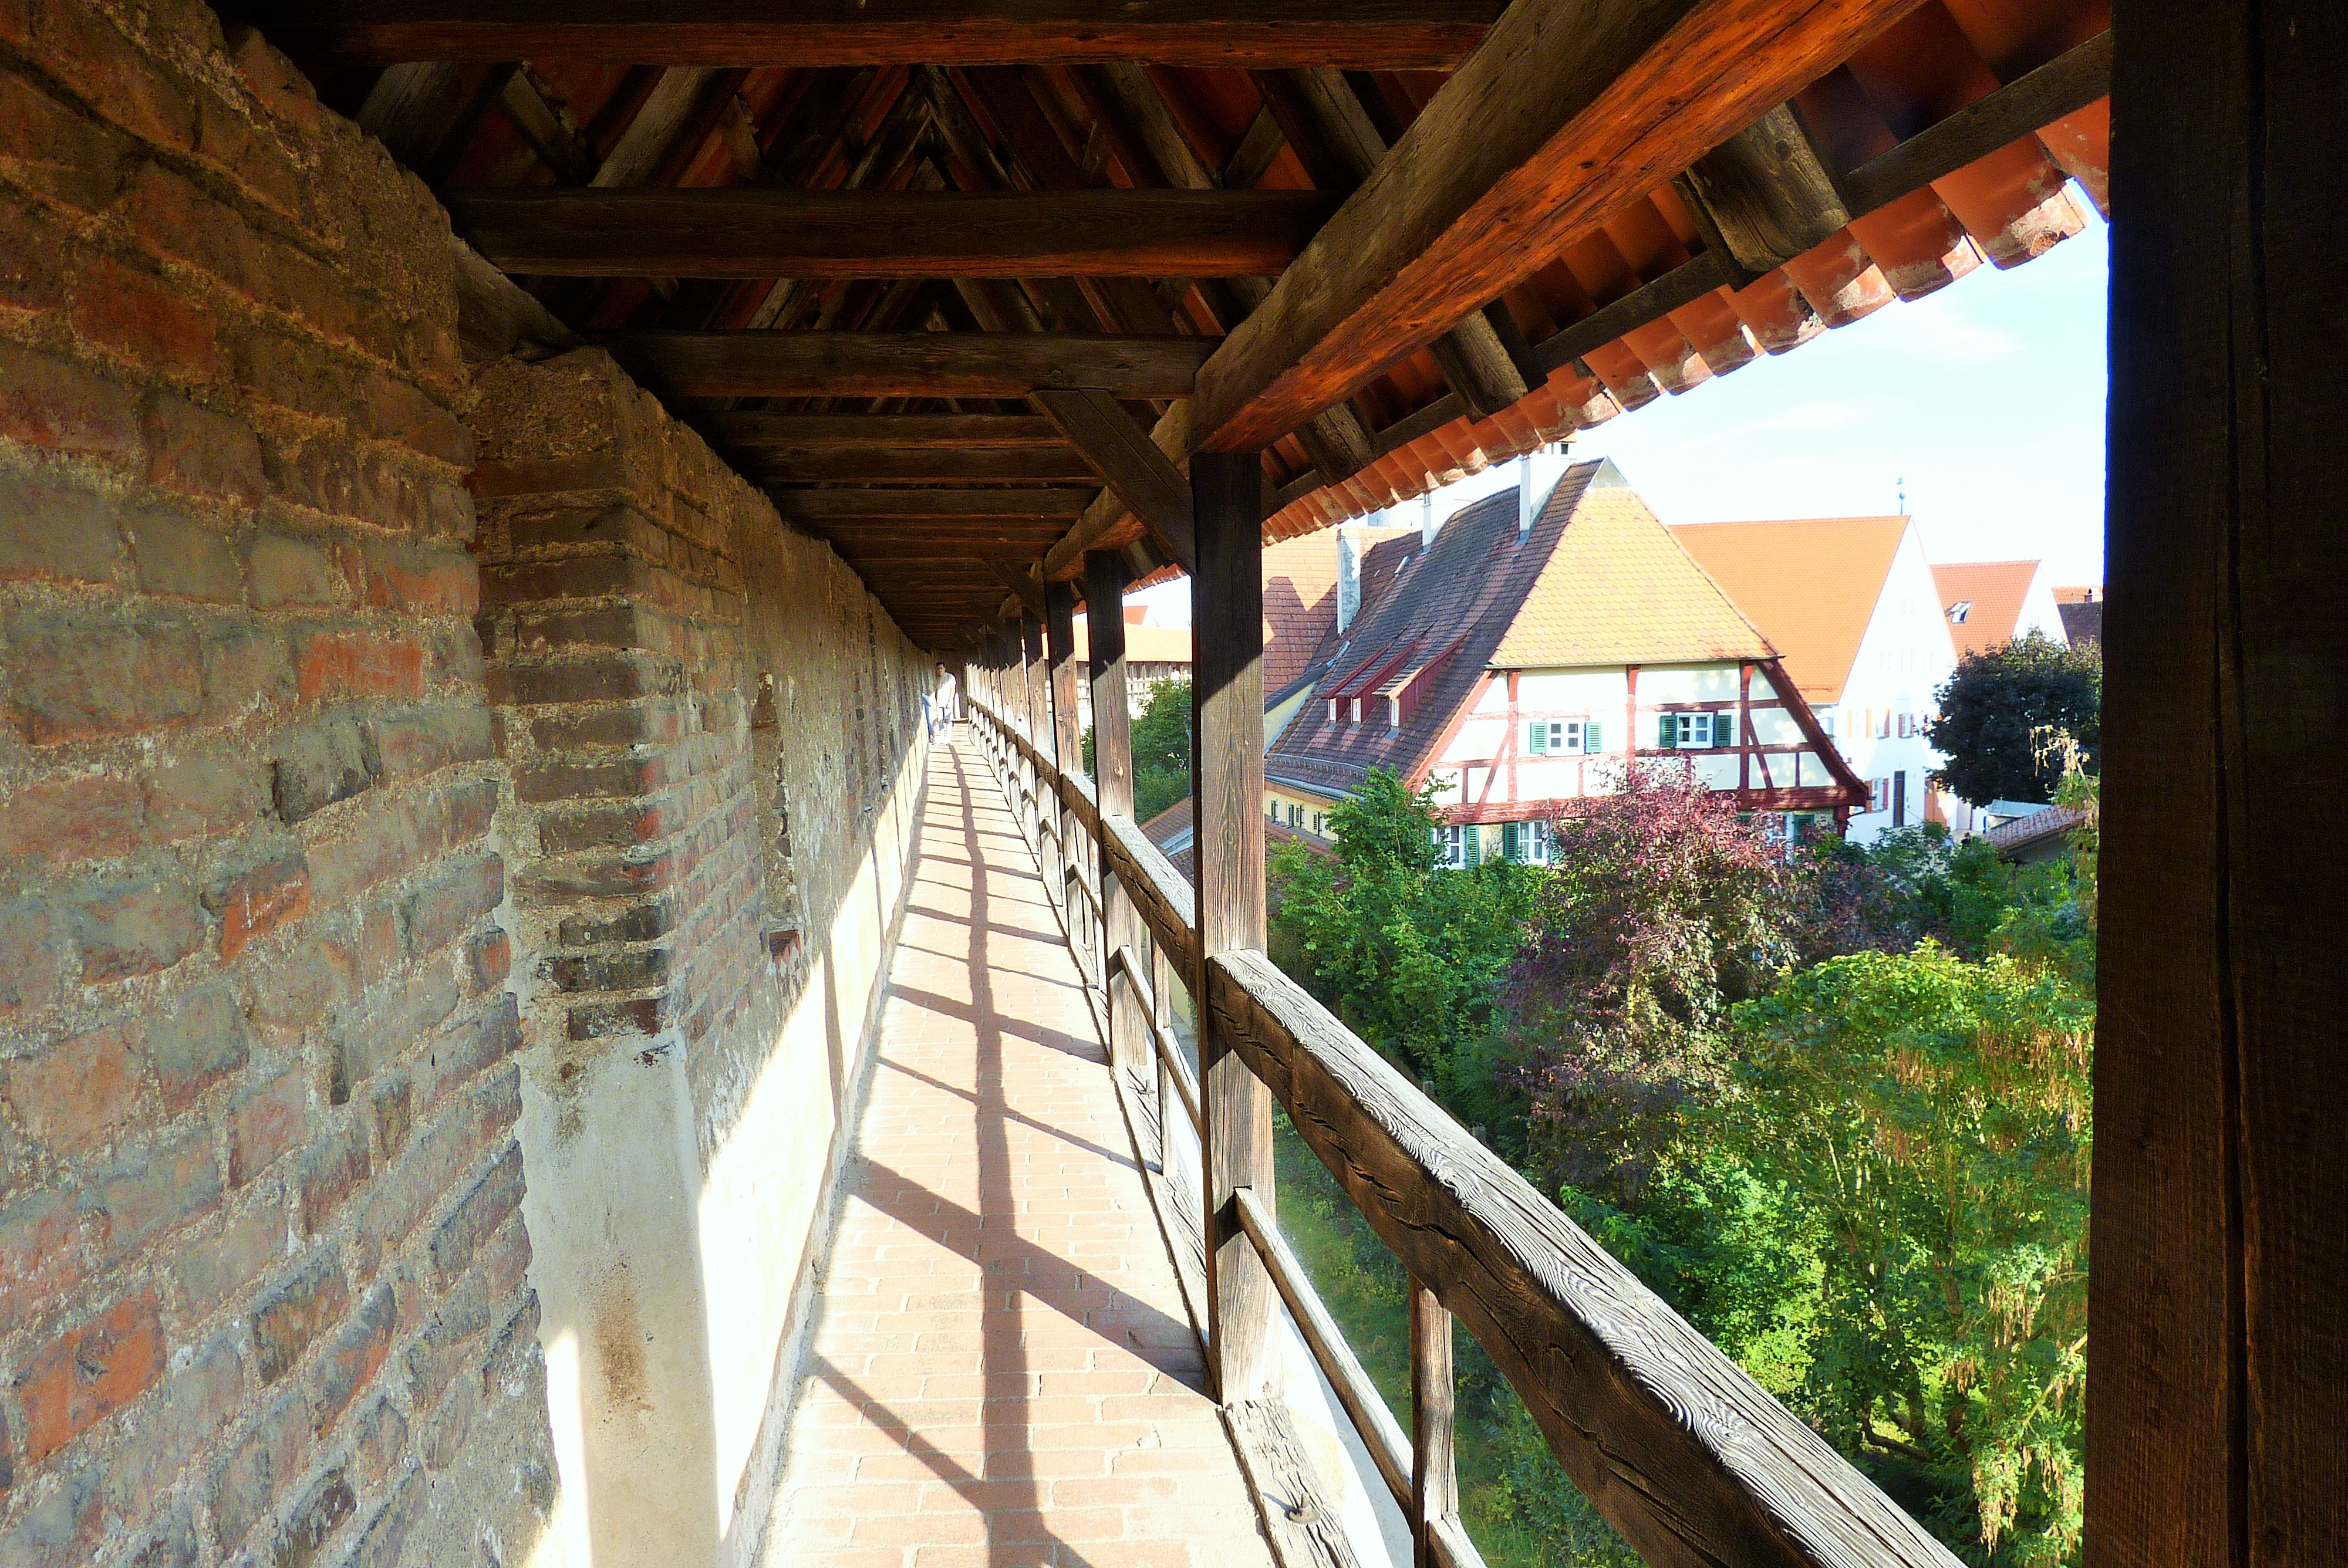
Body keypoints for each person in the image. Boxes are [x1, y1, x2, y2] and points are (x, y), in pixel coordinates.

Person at [926, 660, 957, 739]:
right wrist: (935, 702)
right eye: (938, 669)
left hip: (947, 702)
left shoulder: (950, 677)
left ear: (945, 668)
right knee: (940, 720)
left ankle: (948, 738)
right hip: (939, 702)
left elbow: (953, 689)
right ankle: (942, 736)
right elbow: (937, 691)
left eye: (941, 668)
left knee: (948, 720)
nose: (940, 670)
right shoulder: (938, 679)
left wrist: (951, 700)